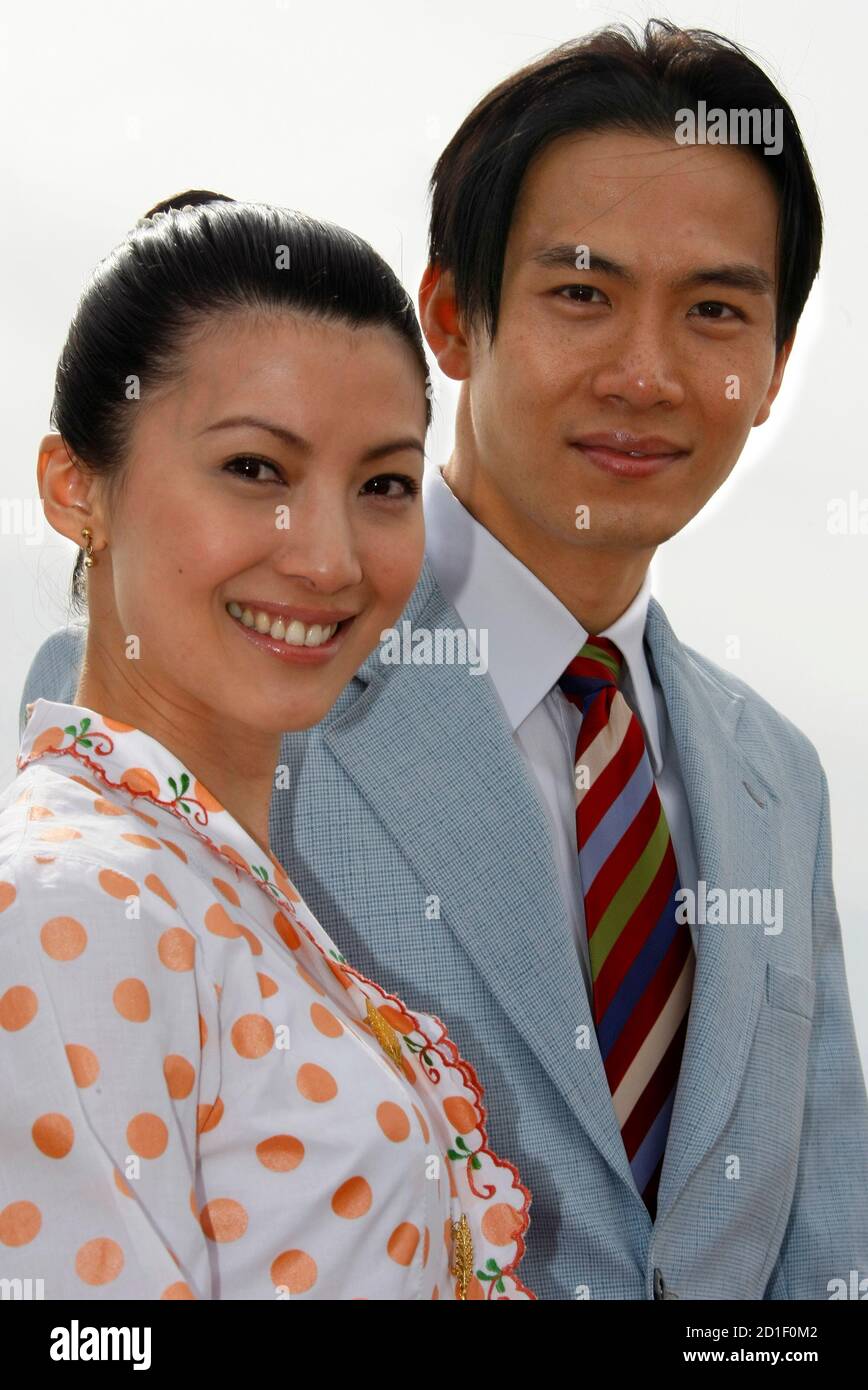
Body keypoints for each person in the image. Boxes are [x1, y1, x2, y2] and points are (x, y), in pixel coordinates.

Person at [20, 19, 868, 1301]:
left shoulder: (777, 780)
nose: (644, 373)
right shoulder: (223, 669)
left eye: (713, 312)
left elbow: (815, 1268)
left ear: (773, 370)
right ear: (451, 318)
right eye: (581, 292)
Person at [0, 192, 534, 1300]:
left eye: (382, 485)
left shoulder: (216, 893)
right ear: (76, 488)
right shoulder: (75, 897)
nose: (331, 559)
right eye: (255, 470)